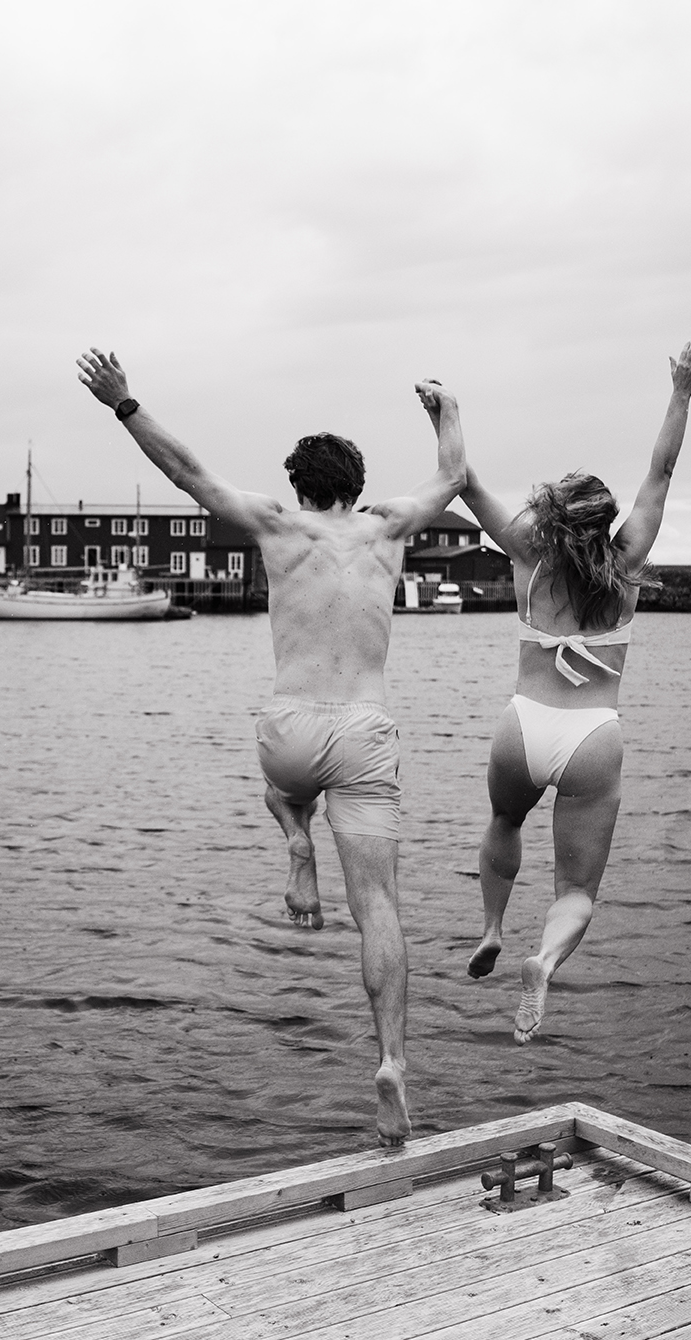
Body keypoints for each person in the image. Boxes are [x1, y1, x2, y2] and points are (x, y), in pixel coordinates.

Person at [76, 347, 468, 1146]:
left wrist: (124, 404)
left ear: (298, 486)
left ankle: (295, 842)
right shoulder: (387, 526)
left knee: (282, 787)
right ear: (356, 486)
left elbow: (186, 471)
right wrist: (443, 411)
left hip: (289, 731)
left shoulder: (275, 525)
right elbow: (455, 477)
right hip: (362, 730)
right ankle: (391, 1058)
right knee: (379, 909)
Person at [456, 339, 691, 1043]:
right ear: (603, 522)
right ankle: (542, 959)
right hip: (592, 736)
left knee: (504, 823)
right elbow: (661, 470)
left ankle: (491, 928)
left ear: (551, 515)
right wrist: (681, 391)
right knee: (575, 891)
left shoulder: (526, 557)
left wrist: (443, 413)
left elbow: (462, 479)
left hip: (523, 723)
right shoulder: (628, 563)